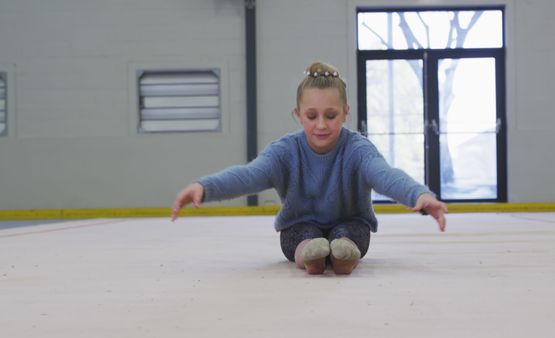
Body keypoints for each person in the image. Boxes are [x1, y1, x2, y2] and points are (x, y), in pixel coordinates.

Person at [171, 61, 448, 275]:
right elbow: (248, 175)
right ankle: (310, 256)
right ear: (298, 114)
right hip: (300, 227)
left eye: (331, 115)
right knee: (299, 235)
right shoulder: (284, 151)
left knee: (352, 233)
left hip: (349, 225)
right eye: (311, 116)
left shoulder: (358, 149)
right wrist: (205, 187)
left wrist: (418, 195)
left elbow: (385, 176)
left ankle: (343, 257)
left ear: (345, 112)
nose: (321, 125)